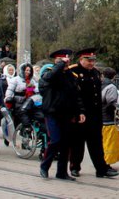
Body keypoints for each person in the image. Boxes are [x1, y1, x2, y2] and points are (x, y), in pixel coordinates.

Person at [69, 47, 118, 178]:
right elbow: (74, 95)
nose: (91, 63)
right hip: (81, 114)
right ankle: (75, 166)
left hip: (95, 115)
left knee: (96, 143)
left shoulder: (96, 72)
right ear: (81, 59)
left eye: (93, 60)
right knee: (78, 143)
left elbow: (97, 96)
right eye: (88, 60)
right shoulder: (74, 72)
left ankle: (101, 169)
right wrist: (78, 112)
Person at [39, 48, 86, 181]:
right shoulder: (50, 73)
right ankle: (44, 166)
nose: (66, 62)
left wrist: (80, 111)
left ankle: (62, 172)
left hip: (66, 114)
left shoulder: (71, 76)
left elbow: (76, 96)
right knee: (55, 140)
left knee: (66, 143)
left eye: (67, 60)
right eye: (62, 60)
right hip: (52, 113)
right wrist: (59, 65)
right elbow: (50, 77)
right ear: (56, 61)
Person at [101, 67, 119, 167]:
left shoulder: (99, 84)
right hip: (108, 119)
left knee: (103, 142)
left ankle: (102, 162)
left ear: (103, 75)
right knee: (109, 143)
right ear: (114, 76)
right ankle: (106, 163)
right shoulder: (111, 87)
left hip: (100, 118)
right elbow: (111, 102)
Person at [4, 62, 38, 130]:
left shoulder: (32, 80)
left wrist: (32, 88)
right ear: (22, 70)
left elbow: (36, 89)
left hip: (30, 101)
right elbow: (10, 90)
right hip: (18, 101)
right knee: (19, 116)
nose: (28, 72)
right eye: (26, 70)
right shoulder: (15, 79)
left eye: (29, 70)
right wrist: (8, 97)